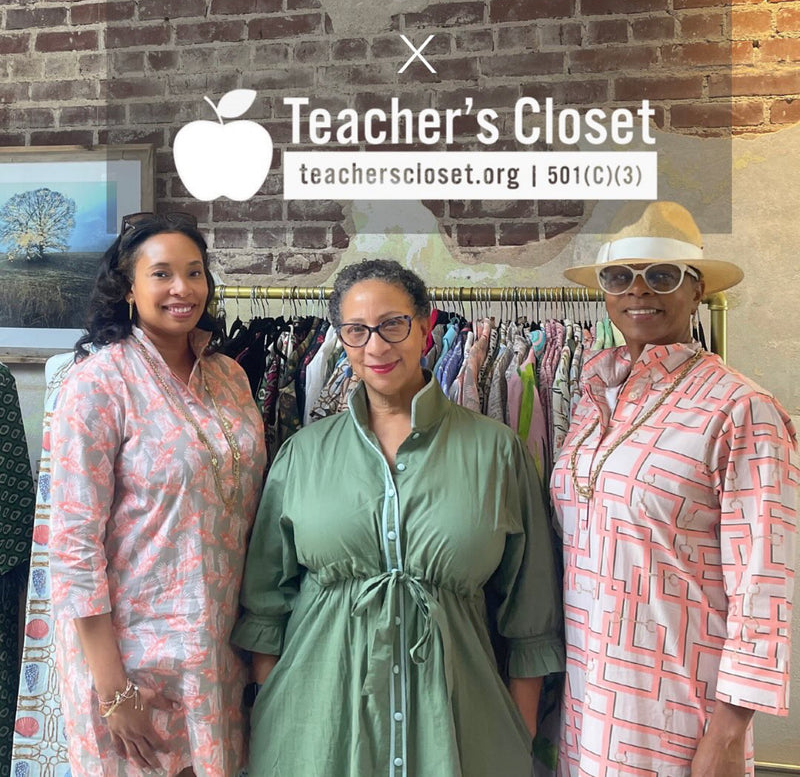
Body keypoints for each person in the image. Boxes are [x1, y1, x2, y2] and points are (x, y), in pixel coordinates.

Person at [232, 259, 565, 777]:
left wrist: (517, 735)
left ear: (426, 326)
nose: (376, 346)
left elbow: (530, 612)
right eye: (356, 330)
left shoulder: (497, 452)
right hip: (316, 734)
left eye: (393, 324)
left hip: (462, 734)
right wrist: (275, 703)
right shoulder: (302, 454)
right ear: (341, 340)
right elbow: (265, 606)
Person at [553, 201, 799, 777]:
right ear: (605, 294)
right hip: (587, 700)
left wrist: (728, 734)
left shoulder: (741, 408)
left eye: (662, 276)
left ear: (697, 290)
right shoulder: (593, 400)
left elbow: (764, 581)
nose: (639, 291)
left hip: (680, 708)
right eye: (620, 277)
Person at [49, 212, 266, 777]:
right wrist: (113, 690)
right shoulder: (99, 383)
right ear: (128, 288)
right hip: (132, 668)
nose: (182, 288)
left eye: (194, 273)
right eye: (162, 273)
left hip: (216, 658)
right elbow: (72, 548)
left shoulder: (230, 377)